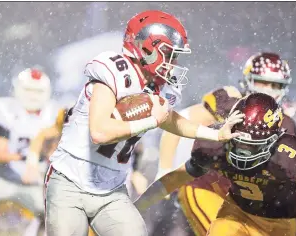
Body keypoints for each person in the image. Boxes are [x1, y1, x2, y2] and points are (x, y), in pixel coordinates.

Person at [44, 10, 244, 236]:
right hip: (70, 181)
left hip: (111, 189)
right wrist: (150, 121)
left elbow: (171, 121)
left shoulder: (158, 86)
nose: (174, 63)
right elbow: (99, 132)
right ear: (147, 48)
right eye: (170, 54)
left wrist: (216, 135)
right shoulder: (114, 71)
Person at [135, 93, 296, 236]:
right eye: (239, 141)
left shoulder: (288, 156)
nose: (243, 152)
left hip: (280, 222)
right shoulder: (216, 145)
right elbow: (173, 179)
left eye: (252, 146)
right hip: (236, 212)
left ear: (273, 141)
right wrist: (136, 208)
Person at [155, 52, 296, 236]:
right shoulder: (230, 101)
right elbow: (176, 124)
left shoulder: (286, 122)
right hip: (205, 189)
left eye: (275, 85)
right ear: (248, 80)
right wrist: (165, 168)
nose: (269, 90)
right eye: (262, 82)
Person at [0, 68, 61, 236]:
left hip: (38, 184)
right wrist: (28, 159)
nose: (33, 96)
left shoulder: (55, 113)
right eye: (28, 90)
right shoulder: (4, 109)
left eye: (37, 91)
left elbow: (57, 153)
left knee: (59, 217)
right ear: (18, 88)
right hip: (4, 180)